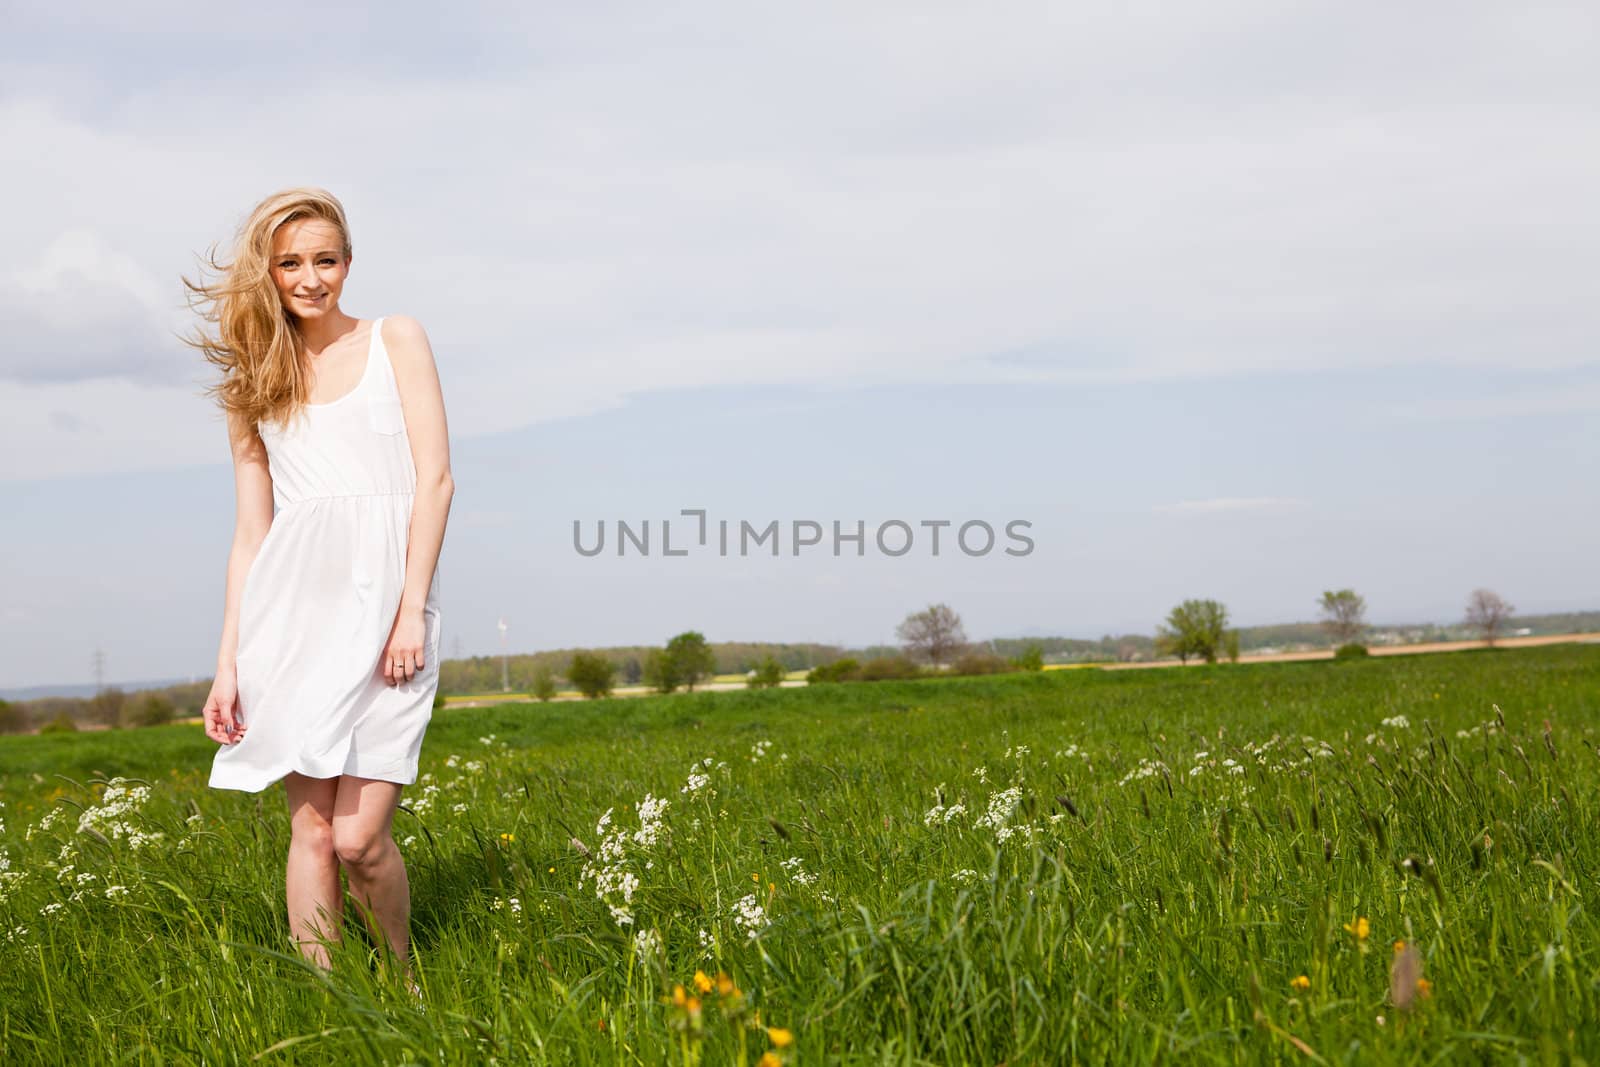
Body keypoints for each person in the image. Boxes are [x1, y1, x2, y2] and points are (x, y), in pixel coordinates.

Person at [183, 187, 454, 998]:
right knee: (308, 830)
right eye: (292, 262)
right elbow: (250, 536)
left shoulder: (394, 339)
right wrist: (227, 663)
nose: (311, 277)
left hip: (386, 615)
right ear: (267, 272)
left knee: (358, 836)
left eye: (326, 260)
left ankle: (406, 986)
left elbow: (435, 481)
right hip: (290, 619)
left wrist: (412, 608)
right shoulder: (251, 383)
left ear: (347, 263)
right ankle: (334, 1005)